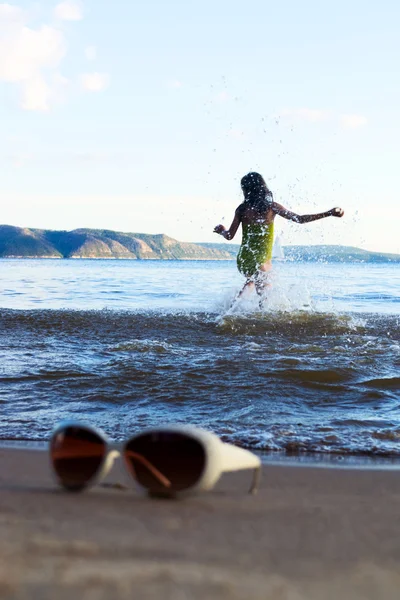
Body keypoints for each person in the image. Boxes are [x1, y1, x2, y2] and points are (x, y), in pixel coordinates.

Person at [214, 172, 344, 302]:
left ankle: (231, 312)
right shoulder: (272, 207)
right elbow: (300, 219)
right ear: (262, 188)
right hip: (261, 259)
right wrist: (328, 213)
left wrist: (222, 230)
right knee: (265, 292)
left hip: (245, 259)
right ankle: (250, 317)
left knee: (252, 282)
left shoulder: (242, 209)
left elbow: (229, 235)